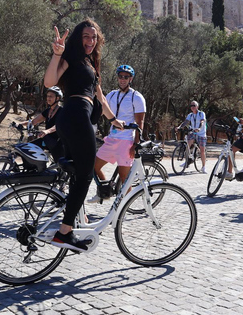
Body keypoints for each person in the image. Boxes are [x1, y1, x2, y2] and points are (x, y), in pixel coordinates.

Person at [44, 19, 124, 252]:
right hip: (77, 116)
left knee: (76, 173)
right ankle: (65, 232)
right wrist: (57, 54)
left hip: (70, 119)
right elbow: (49, 81)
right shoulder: (71, 58)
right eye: (86, 36)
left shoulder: (91, 63)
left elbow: (101, 97)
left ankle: (76, 214)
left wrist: (114, 120)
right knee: (86, 172)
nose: (90, 41)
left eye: (94, 37)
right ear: (79, 38)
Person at [88, 64, 146, 202]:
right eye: (120, 76)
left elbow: (140, 122)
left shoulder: (136, 97)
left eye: (126, 77)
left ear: (131, 79)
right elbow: (101, 109)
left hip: (126, 141)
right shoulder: (112, 95)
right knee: (94, 167)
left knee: (125, 178)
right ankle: (105, 191)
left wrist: (135, 144)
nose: (123, 79)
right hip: (111, 139)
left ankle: (124, 207)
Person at [16, 86, 63, 160]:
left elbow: (58, 126)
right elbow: (33, 122)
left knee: (60, 165)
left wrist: (47, 131)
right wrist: (19, 124)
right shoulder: (48, 111)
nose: (48, 98)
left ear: (57, 98)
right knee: (29, 149)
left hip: (57, 142)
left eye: (51, 96)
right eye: (47, 96)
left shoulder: (62, 111)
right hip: (46, 139)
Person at [177, 100, 208, 173]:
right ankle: (187, 161)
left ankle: (203, 167)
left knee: (202, 150)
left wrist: (199, 128)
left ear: (197, 106)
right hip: (193, 132)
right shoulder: (190, 115)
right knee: (187, 146)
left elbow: (202, 121)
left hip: (201, 133)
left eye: (194, 105)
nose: (192, 107)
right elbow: (186, 122)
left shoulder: (201, 114)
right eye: (191, 106)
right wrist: (179, 127)